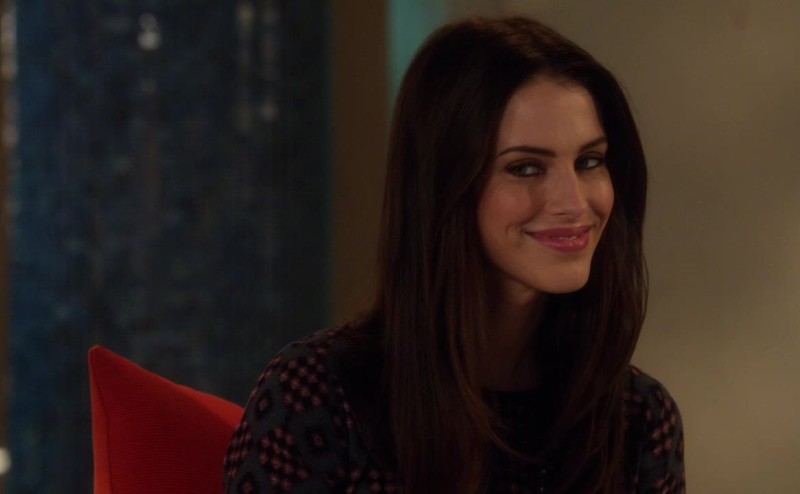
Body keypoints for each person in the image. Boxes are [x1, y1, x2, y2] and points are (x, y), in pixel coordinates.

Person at [224, 16, 685, 494]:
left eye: (589, 162)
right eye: (526, 168)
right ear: (444, 185)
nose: (574, 202)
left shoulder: (638, 418)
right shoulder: (317, 397)